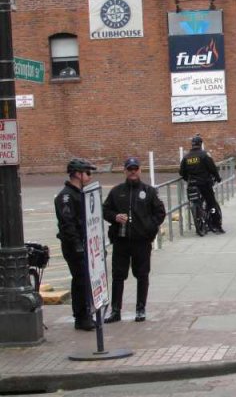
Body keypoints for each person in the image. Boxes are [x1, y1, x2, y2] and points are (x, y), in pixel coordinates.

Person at [103, 158, 166, 323]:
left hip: (141, 242)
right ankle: (116, 310)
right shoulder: (117, 191)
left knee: (142, 275)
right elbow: (105, 210)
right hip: (121, 241)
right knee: (118, 275)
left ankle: (140, 309)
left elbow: (160, 213)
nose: (132, 172)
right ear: (124, 171)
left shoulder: (149, 191)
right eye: (129, 169)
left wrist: (149, 229)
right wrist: (115, 217)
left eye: (135, 169)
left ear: (140, 170)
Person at [54, 158, 98, 331]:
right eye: (87, 172)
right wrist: (77, 245)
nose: (89, 176)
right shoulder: (66, 196)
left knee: (86, 280)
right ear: (78, 174)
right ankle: (81, 316)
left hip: (85, 244)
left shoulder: (80, 193)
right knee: (80, 280)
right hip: (75, 246)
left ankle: (85, 313)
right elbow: (68, 223)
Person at [179, 135, 225, 233]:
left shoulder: (186, 157)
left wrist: (188, 179)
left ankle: (198, 220)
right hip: (204, 184)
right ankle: (216, 226)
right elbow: (212, 169)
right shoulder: (204, 155)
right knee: (212, 204)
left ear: (192, 144)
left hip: (192, 185)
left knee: (195, 202)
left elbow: (182, 172)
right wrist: (218, 178)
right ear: (201, 144)